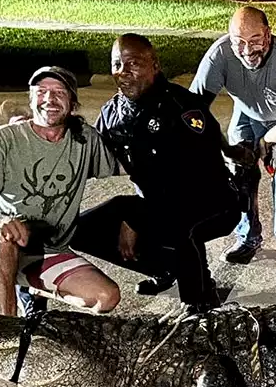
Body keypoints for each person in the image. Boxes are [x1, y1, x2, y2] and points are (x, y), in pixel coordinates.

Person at [69, 33, 251, 312]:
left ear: (155, 65)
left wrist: (135, 221)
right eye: (117, 64)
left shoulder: (182, 108)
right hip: (154, 206)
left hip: (212, 202)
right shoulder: (112, 113)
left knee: (180, 225)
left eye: (134, 63)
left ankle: (199, 300)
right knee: (76, 230)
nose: (124, 72)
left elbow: (193, 184)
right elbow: (91, 159)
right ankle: (166, 266)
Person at [0, 66, 121, 318]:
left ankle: (32, 288)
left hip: (47, 249)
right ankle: (3, 332)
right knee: (5, 243)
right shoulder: (4, 139)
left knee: (105, 297)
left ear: (72, 102)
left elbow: (132, 163)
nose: (49, 99)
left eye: (59, 92)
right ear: (31, 100)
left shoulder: (85, 140)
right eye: (41, 92)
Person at [190, 6, 276, 273]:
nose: (247, 50)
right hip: (247, 109)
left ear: (268, 35)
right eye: (239, 42)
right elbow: (193, 107)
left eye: (255, 40)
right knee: (239, 170)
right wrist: (225, 147)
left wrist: (262, 146)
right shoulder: (220, 54)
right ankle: (247, 238)